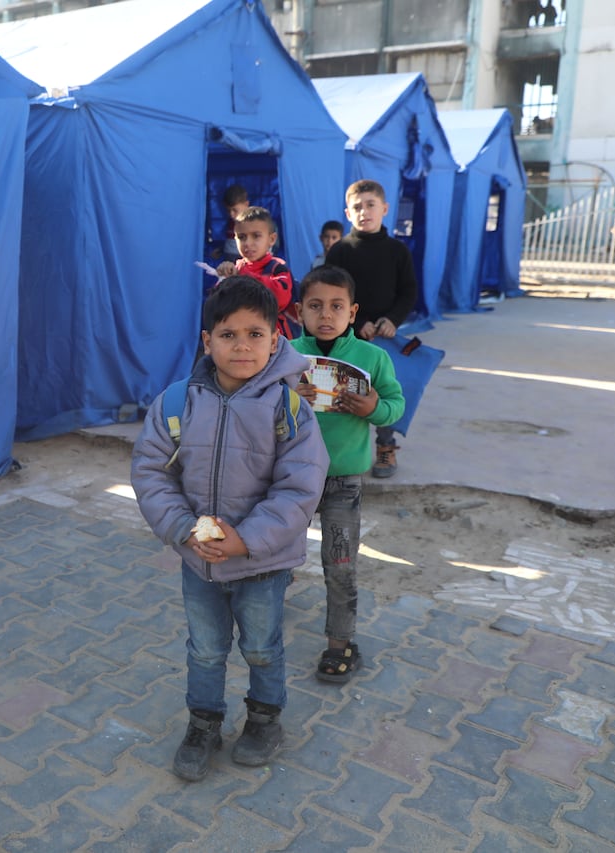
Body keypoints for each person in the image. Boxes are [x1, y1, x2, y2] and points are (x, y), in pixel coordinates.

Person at [131, 277, 329, 782]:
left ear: (276, 339)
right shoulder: (177, 403)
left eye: (255, 334)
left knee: (262, 646)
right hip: (199, 563)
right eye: (227, 335)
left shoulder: (291, 410)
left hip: (264, 564)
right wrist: (181, 527)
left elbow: (300, 488)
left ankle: (265, 719)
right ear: (206, 341)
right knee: (205, 648)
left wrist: (248, 540)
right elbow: (151, 471)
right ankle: (204, 723)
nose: (242, 346)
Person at [291, 266, 405, 683]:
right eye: (316, 306)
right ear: (300, 310)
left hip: (343, 482)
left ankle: (341, 644)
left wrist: (373, 408)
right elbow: (258, 405)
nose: (326, 315)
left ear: (353, 312)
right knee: (274, 552)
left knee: (339, 565)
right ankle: (260, 617)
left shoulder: (373, 358)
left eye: (337, 306)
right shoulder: (286, 352)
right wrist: (286, 397)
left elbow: (396, 406)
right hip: (292, 477)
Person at [324, 179, 417, 478]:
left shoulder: (398, 251)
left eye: (370, 205)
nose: (364, 211)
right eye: (357, 207)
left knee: (383, 392)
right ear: (348, 213)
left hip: (385, 339)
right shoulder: (339, 251)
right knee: (343, 394)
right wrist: (356, 321)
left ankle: (385, 447)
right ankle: (334, 451)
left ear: (385, 209)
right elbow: (332, 292)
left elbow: (408, 292)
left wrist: (392, 319)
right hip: (347, 336)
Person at [218, 207, 298, 339]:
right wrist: (222, 277)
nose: (248, 243)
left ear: (272, 239)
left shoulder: (278, 268)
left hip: (275, 342)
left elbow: (278, 299)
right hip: (243, 340)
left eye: (256, 236)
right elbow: (219, 305)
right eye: (242, 237)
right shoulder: (235, 269)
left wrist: (244, 276)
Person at [207, 183, 249, 268]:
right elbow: (230, 241)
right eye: (228, 211)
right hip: (229, 259)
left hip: (243, 260)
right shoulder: (231, 222)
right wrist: (221, 250)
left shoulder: (252, 223)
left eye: (235, 210)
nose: (231, 214)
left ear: (246, 204)